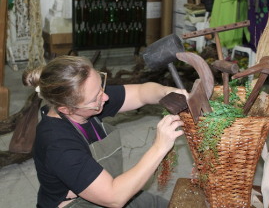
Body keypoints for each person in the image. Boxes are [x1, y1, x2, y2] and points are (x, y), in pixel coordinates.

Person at [23, 55, 188, 208]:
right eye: (95, 99)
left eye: (101, 86)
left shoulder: (89, 99)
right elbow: (114, 197)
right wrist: (160, 147)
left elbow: (140, 93)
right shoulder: (57, 144)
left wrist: (166, 92)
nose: (105, 98)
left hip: (108, 188)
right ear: (66, 109)